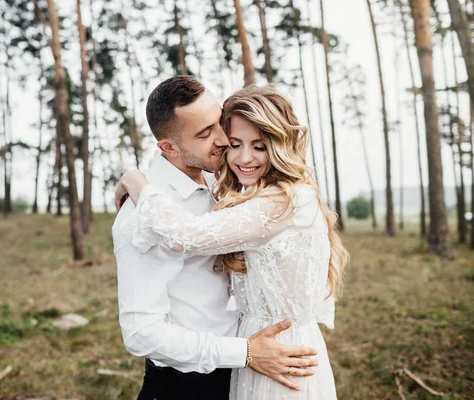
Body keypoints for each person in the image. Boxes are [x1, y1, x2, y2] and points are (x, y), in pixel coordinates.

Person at [116, 84, 349, 399]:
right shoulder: (141, 213)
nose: (224, 140)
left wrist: (133, 179)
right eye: (206, 133)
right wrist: (244, 352)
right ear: (168, 147)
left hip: (262, 362)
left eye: (219, 123)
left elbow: (192, 234)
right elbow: (141, 334)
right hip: (187, 384)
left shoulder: (230, 187)